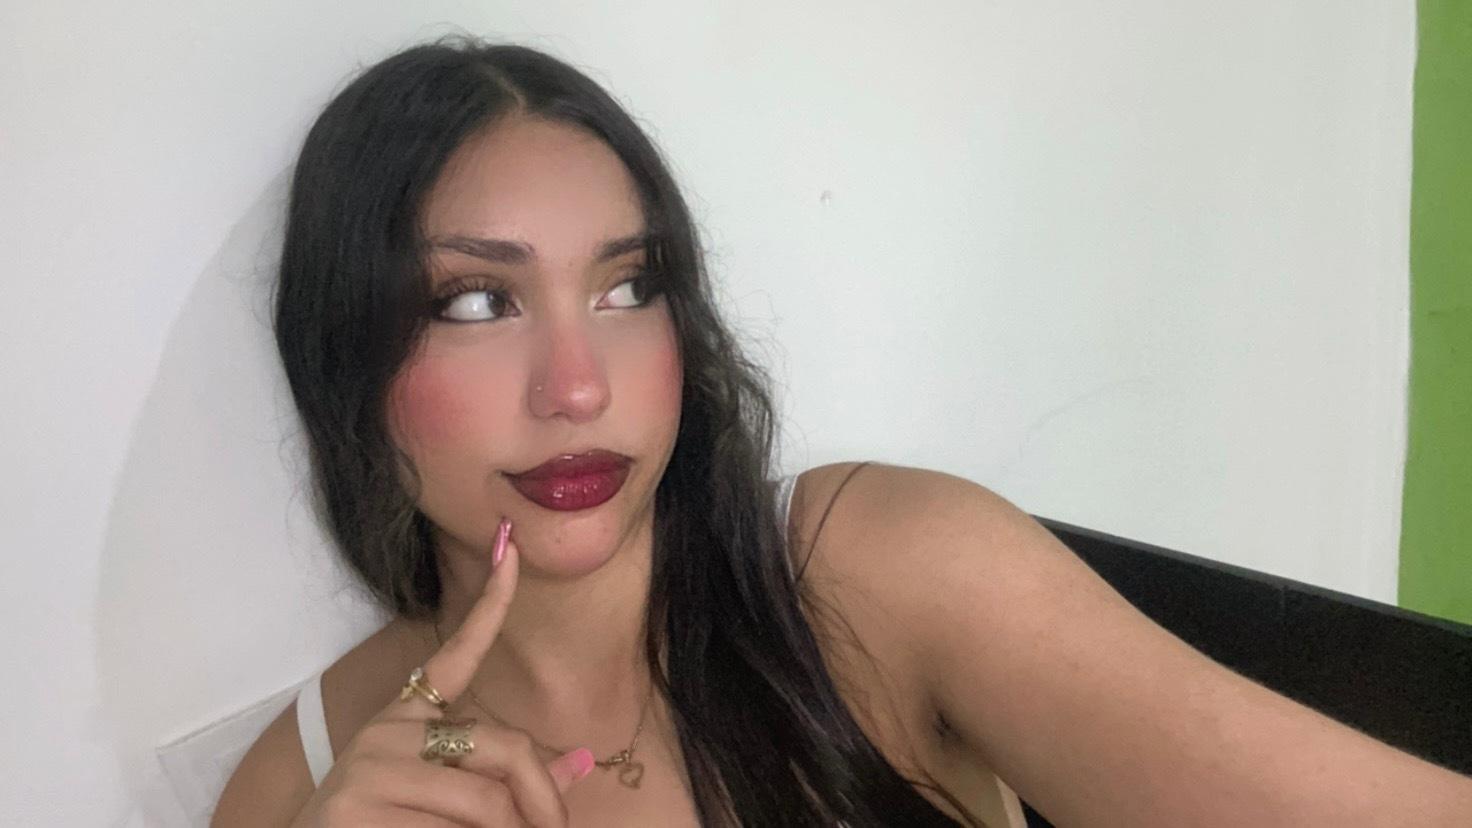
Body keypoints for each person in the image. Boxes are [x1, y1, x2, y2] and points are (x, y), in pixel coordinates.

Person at [213, 38, 1472, 827]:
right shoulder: (299, 786)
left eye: (627, 287)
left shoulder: (865, 574)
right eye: (476, 303)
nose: (578, 388)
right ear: (346, 362)